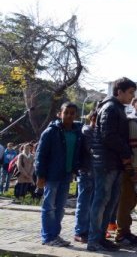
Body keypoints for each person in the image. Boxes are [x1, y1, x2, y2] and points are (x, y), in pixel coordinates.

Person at [87, 77, 136, 252]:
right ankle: (94, 239)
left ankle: (101, 237)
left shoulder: (118, 108)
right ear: (119, 92)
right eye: (130, 92)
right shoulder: (110, 107)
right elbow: (108, 136)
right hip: (106, 162)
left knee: (111, 202)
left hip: (114, 163)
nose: (132, 96)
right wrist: (126, 152)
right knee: (101, 201)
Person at [35, 102, 82, 247]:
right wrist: (40, 175)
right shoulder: (51, 132)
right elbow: (40, 155)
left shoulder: (77, 131)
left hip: (66, 175)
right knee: (49, 207)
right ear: (59, 113)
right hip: (51, 175)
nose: (69, 115)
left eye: (72, 113)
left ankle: (55, 235)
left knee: (60, 208)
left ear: (76, 115)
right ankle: (48, 237)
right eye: (66, 112)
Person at [115, 93, 137, 246]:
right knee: (126, 201)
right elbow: (132, 147)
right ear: (134, 103)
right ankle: (121, 233)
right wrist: (133, 169)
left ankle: (126, 231)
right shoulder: (131, 121)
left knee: (132, 200)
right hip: (131, 168)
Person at [73, 109, 97, 244]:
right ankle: (80, 231)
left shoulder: (95, 131)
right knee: (83, 203)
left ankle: (88, 230)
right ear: (91, 119)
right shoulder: (87, 130)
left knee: (92, 203)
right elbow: (92, 149)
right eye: (96, 119)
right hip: (86, 171)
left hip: (95, 172)